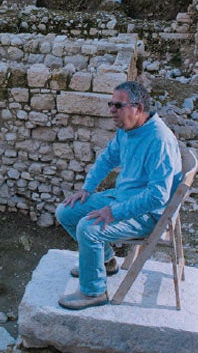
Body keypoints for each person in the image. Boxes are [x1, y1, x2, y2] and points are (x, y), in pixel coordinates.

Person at [55, 80, 181, 310]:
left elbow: (158, 196)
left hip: (148, 214)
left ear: (138, 108)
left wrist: (114, 212)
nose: (111, 110)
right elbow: (108, 158)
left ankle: (93, 291)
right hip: (122, 198)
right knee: (66, 211)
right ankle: (106, 261)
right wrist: (87, 189)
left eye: (118, 105)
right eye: (110, 104)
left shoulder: (159, 140)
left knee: (88, 228)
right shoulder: (128, 130)